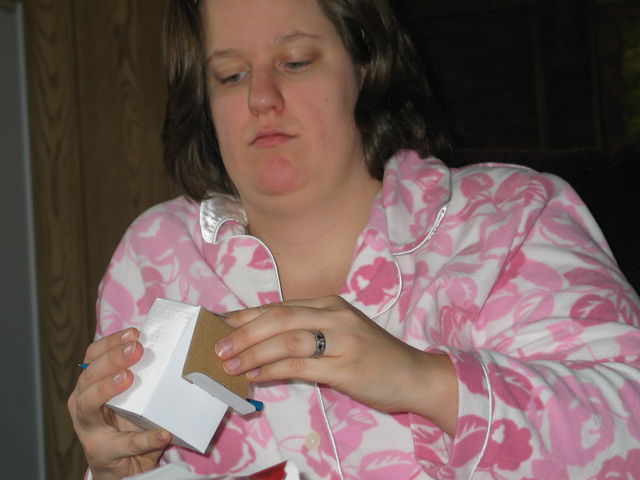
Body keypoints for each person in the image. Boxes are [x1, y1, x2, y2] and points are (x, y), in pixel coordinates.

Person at [68, 0, 640, 478]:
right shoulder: (153, 257)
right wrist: (117, 469)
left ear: (364, 65)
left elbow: (628, 430)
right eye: (231, 75)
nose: (260, 97)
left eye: (294, 62)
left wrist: (425, 381)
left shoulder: (510, 217)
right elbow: (133, 456)